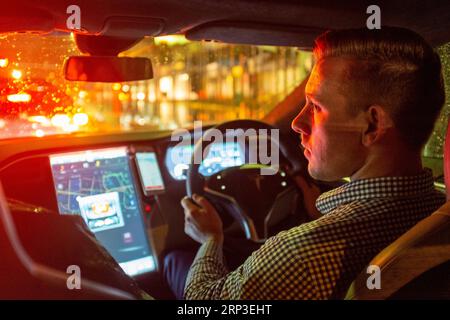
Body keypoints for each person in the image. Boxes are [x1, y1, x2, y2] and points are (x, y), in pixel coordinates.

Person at [179, 27, 447, 299]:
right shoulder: (439, 212)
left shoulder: (302, 253)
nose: (297, 123)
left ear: (372, 125)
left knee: (173, 261)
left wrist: (211, 239)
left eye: (316, 106)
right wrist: (320, 216)